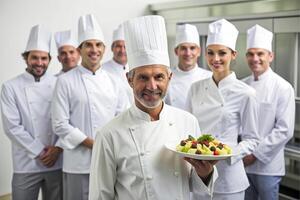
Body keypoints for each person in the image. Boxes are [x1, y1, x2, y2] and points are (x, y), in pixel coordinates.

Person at [89, 15, 218, 200]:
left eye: (159, 77)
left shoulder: (187, 121)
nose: (152, 86)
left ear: (169, 78)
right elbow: (100, 196)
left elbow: (195, 187)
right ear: (129, 80)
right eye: (143, 77)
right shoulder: (109, 134)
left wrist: (205, 173)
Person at [51, 14, 130, 200]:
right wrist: (93, 144)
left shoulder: (114, 80)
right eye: (88, 45)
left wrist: (107, 146)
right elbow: (60, 124)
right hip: (78, 162)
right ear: (79, 49)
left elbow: (123, 116)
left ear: (104, 49)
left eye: (98, 45)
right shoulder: (65, 81)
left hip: (111, 158)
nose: (94, 50)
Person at [186, 19, 260, 200]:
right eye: (210, 53)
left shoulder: (246, 93)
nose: (215, 59)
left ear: (233, 54)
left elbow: (252, 139)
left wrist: (227, 153)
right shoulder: (195, 88)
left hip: (229, 178)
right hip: (199, 172)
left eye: (222, 53)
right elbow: (188, 128)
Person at [0, 24, 62, 200]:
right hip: (26, 163)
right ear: (26, 58)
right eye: (35, 57)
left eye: (44, 58)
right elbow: (12, 127)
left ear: (50, 59)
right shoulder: (10, 87)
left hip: (56, 161)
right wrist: (41, 152)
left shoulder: (60, 82)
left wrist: (57, 149)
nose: (40, 63)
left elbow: (66, 120)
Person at [242, 24, 295, 200]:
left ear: (270, 56)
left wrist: (255, 154)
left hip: (268, 166)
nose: (255, 58)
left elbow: (284, 130)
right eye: (250, 54)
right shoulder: (241, 85)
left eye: (260, 53)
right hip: (241, 162)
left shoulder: (282, 87)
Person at [165, 24, 211, 110]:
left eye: (192, 48)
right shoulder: (166, 78)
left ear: (199, 51)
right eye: (183, 48)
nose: (188, 53)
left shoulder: (209, 77)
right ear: (176, 51)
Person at [102, 24, 133, 103]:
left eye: (125, 46)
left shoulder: (135, 68)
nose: (122, 50)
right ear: (112, 48)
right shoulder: (102, 69)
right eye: (118, 46)